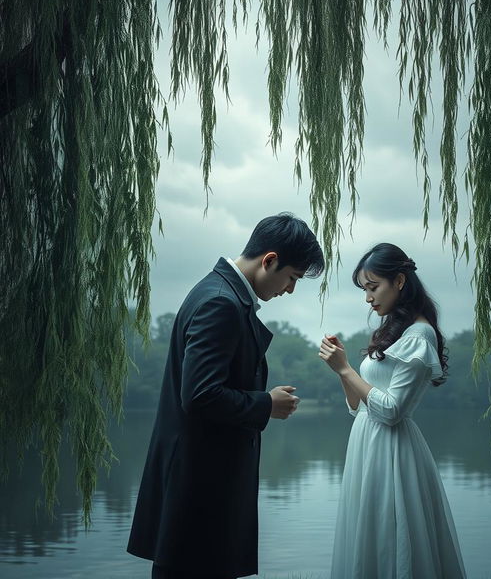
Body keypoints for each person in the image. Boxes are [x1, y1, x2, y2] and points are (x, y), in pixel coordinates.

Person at [127, 212, 324, 579]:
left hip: (201, 485)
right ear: (269, 261)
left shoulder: (220, 293)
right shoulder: (221, 302)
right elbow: (201, 395)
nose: (290, 290)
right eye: (293, 278)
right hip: (199, 491)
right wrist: (266, 404)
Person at [318, 242, 466, 579]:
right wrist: (341, 370)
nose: (368, 298)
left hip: (392, 449)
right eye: (364, 290)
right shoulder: (391, 332)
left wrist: (345, 370)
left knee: (391, 534)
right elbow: (357, 407)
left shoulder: (419, 335)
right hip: (366, 442)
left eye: (373, 287)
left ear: (399, 281)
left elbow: (392, 411)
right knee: (367, 531)